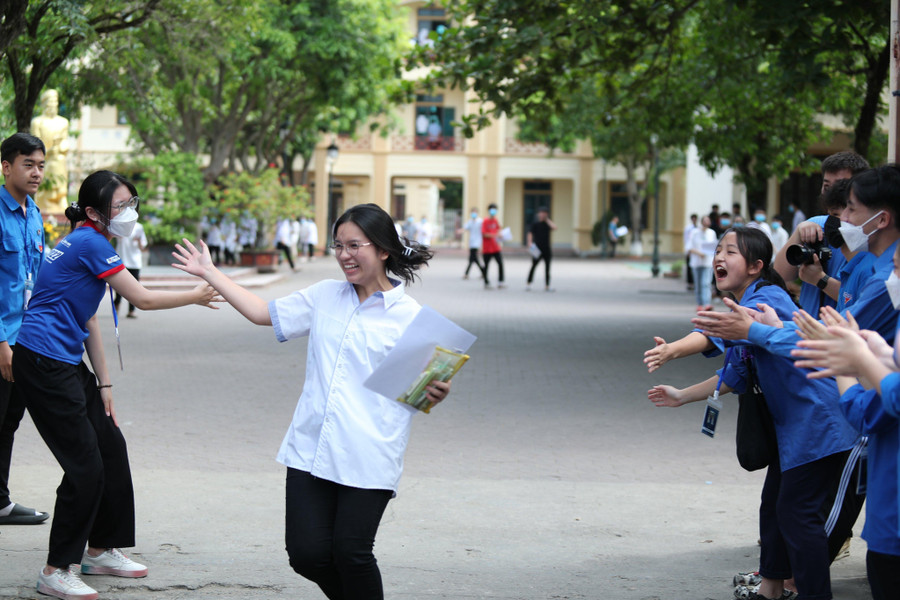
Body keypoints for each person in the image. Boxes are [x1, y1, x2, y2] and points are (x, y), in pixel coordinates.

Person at [171, 203, 451, 600]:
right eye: (338, 245)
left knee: (351, 554)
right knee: (307, 555)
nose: (344, 255)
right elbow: (262, 312)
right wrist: (210, 272)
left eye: (354, 245)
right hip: (311, 448)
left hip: (369, 453)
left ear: (383, 250)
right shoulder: (324, 296)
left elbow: (420, 389)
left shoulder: (410, 317)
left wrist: (435, 392)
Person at [13, 170, 220, 600]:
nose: (129, 212)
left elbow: (88, 318)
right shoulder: (89, 243)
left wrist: (104, 385)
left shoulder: (87, 240)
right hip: (43, 362)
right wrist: (196, 295)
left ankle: (101, 549)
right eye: (120, 206)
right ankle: (56, 569)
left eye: (131, 203)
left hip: (64, 361)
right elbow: (141, 298)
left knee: (111, 446)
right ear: (93, 212)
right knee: (85, 465)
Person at [648, 227, 857, 600]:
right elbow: (735, 373)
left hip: (819, 425)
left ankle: (808, 592)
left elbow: (717, 332)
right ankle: (771, 589)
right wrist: (682, 395)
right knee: (775, 507)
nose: (719, 257)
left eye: (730, 251)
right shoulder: (746, 302)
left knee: (796, 515)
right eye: (718, 250)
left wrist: (672, 350)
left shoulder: (767, 297)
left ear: (756, 266)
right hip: (793, 433)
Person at [0, 133, 50, 527]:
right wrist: (1, 341)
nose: (36, 173)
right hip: (3, 339)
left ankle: (0, 501)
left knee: (8, 422)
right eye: (28, 164)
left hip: (26, 337)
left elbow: (37, 275)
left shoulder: (34, 213)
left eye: (41, 166)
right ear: (6, 167)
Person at [29, 89, 69, 214]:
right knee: (50, 164)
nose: (52, 104)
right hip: (43, 157)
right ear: (44, 103)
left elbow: (65, 141)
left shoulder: (63, 122)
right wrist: (48, 151)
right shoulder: (37, 122)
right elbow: (35, 143)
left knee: (60, 160)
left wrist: (60, 147)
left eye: (54, 101)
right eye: (50, 101)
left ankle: (60, 196)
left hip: (57, 155)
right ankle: (46, 198)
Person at [112, 215, 148, 319]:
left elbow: (142, 247)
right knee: (119, 286)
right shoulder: (120, 226)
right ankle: (116, 305)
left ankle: (131, 310)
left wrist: (139, 240)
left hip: (134, 262)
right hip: (122, 260)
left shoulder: (139, 227)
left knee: (134, 287)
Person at [687, 215, 716, 311]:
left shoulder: (711, 233)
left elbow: (714, 246)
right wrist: (699, 253)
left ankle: (707, 303)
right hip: (696, 262)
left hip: (707, 262)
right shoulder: (694, 232)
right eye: (705, 220)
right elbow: (689, 247)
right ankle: (699, 303)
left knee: (706, 283)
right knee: (698, 284)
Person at [526, 206, 557, 292]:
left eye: (544, 213)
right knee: (533, 266)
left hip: (546, 249)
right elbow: (530, 233)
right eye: (541, 213)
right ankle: (528, 283)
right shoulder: (535, 224)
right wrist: (529, 243)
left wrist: (547, 220)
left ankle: (547, 285)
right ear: (538, 214)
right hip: (537, 249)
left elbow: (555, 227)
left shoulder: (547, 224)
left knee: (547, 268)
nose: (543, 214)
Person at [457, 208, 486, 282]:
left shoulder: (480, 221)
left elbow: (484, 230)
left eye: (475, 212)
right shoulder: (470, 222)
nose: (473, 214)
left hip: (477, 242)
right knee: (474, 259)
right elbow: (465, 228)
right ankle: (483, 272)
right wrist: (460, 231)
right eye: (472, 212)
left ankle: (466, 274)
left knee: (472, 258)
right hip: (472, 242)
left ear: (477, 213)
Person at [482, 203, 505, 289]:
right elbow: (484, 234)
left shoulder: (495, 221)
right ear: (488, 210)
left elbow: (499, 230)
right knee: (486, 265)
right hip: (487, 248)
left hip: (496, 248)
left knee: (500, 264)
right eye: (492, 209)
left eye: (495, 209)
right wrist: (495, 235)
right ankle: (486, 282)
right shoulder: (485, 221)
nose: (493, 211)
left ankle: (500, 282)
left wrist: (501, 234)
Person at [684, 214, 699, 290]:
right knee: (689, 267)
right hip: (690, 250)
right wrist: (688, 250)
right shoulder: (688, 228)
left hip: (697, 251)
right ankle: (690, 283)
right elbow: (686, 239)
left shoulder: (698, 228)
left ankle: (695, 282)